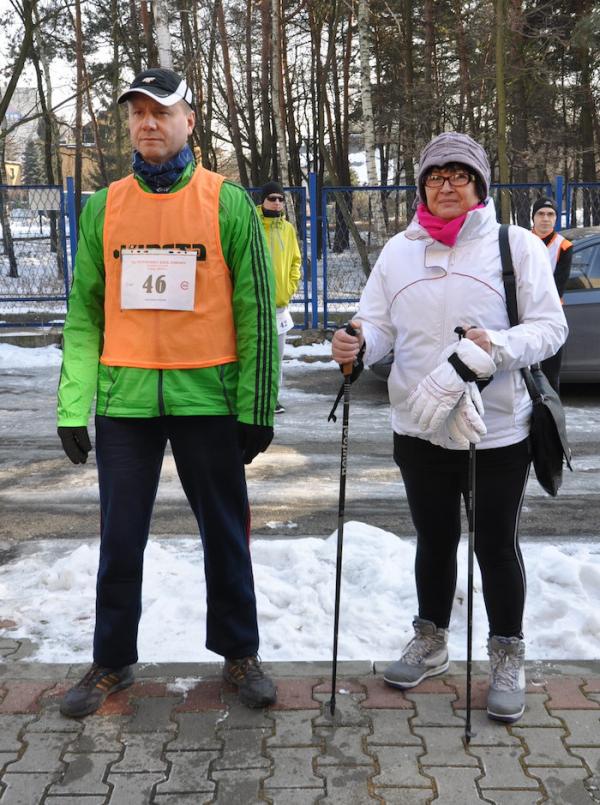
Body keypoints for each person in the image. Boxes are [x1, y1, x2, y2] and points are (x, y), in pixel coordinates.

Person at [56, 67, 279, 717]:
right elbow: (84, 313)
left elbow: (256, 311)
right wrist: (73, 404)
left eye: (161, 111)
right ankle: (111, 660)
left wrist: (256, 406)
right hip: (125, 401)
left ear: (189, 121)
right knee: (120, 539)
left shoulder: (225, 201)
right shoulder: (104, 207)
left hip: (208, 397)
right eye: (138, 113)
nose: (148, 123)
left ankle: (240, 653)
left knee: (225, 535)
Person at [332, 131, 567, 724]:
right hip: (418, 425)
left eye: (460, 175)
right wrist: (357, 341)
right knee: (434, 540)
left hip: (497, 430)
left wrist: (499, 345)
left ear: (479, 185)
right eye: (435, 176)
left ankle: (507, 655)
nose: (446, 185)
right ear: (421, 187)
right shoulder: (398, 252)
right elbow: (378, 325)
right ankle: (431, 640)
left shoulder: (515, 245)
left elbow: (550, 327)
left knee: (495, 544)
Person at [257, 180, 301, 414]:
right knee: (256, 356)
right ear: (262, 200)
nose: (276, 203)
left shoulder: (288, 229)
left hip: (279, 307)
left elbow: (295, 261)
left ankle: (272, 399)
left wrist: (290, 287)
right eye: (271, 198)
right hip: (255, 304)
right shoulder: (252, 225)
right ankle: (255, 398)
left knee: (276, 357)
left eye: (280, 199)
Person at [531, 196, 573, 393]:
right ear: (533, 217)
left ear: (556, 218)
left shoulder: (564, 246)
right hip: (523, 309)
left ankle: (550, 408)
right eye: (540, 214)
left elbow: (559, 284)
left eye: (550, 214)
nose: (545, 219)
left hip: (551, 312)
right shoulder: (520, 240)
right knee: (523, 368)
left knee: (550, 370)